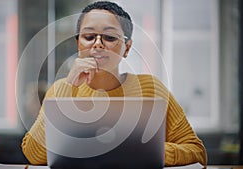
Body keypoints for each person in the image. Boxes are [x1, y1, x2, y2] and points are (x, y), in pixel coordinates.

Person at [21, 1, 207, 166]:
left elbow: (197, 151)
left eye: (109, 38)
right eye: (89, 36)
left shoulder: (151, 88)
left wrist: (154, 152)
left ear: (126, 48)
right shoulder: (62, 89)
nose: (98, 44)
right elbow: (33, 155)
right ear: (78, 43)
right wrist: (68, 86)